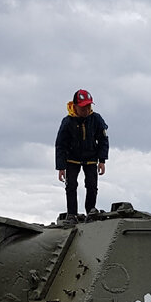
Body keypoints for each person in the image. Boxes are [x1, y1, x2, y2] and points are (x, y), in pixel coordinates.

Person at [54, 89, 109, 219]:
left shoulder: (96, 119)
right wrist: (61, 167)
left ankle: (91, 212)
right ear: (75, 106)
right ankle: (72, 213)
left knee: (92, 186)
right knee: (71, 185)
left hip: (91, 158)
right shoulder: (67, 122)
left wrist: (102, 160)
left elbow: (103, 139)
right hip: (72, 159)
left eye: (89, 106)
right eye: (83, 107)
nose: (86, 109)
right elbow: (60, 145)